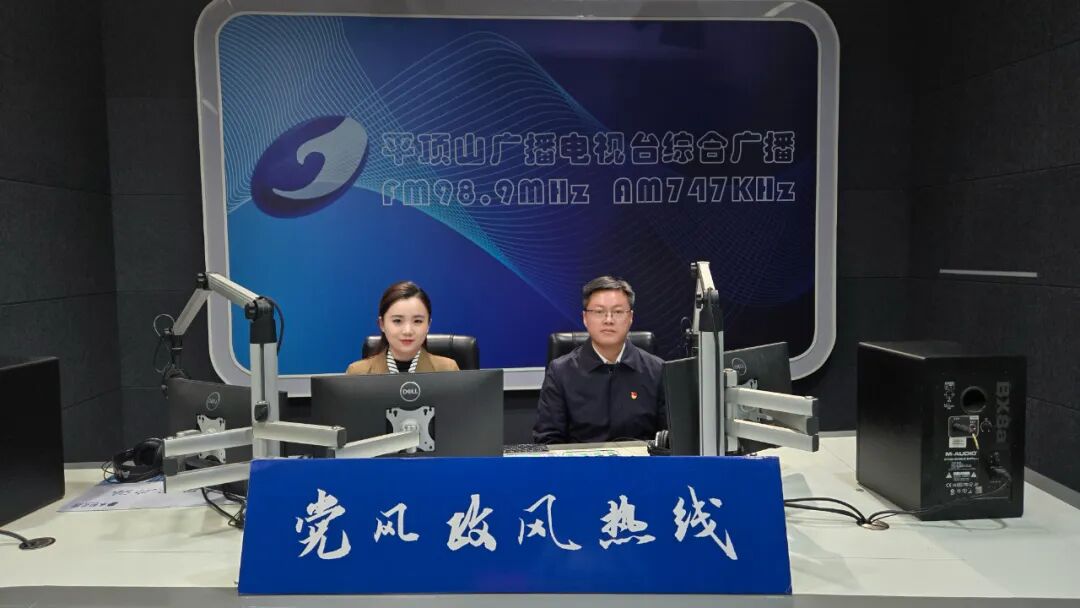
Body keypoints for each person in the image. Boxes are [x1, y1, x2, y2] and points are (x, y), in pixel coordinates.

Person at [533, 276, 666, 444]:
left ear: (630, 317)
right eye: (599, 312)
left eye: (618, 312)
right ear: (585, 318)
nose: (608, 320)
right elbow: (548, 440)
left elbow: (671, 439)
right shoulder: (560, 372)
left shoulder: (658, 370)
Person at [345, 281, 459, 375]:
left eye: (417, 321)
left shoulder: (448, 370)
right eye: (397, 321)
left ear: (428, 325)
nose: (407, 331)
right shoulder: (357, 373)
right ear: (382, 324)